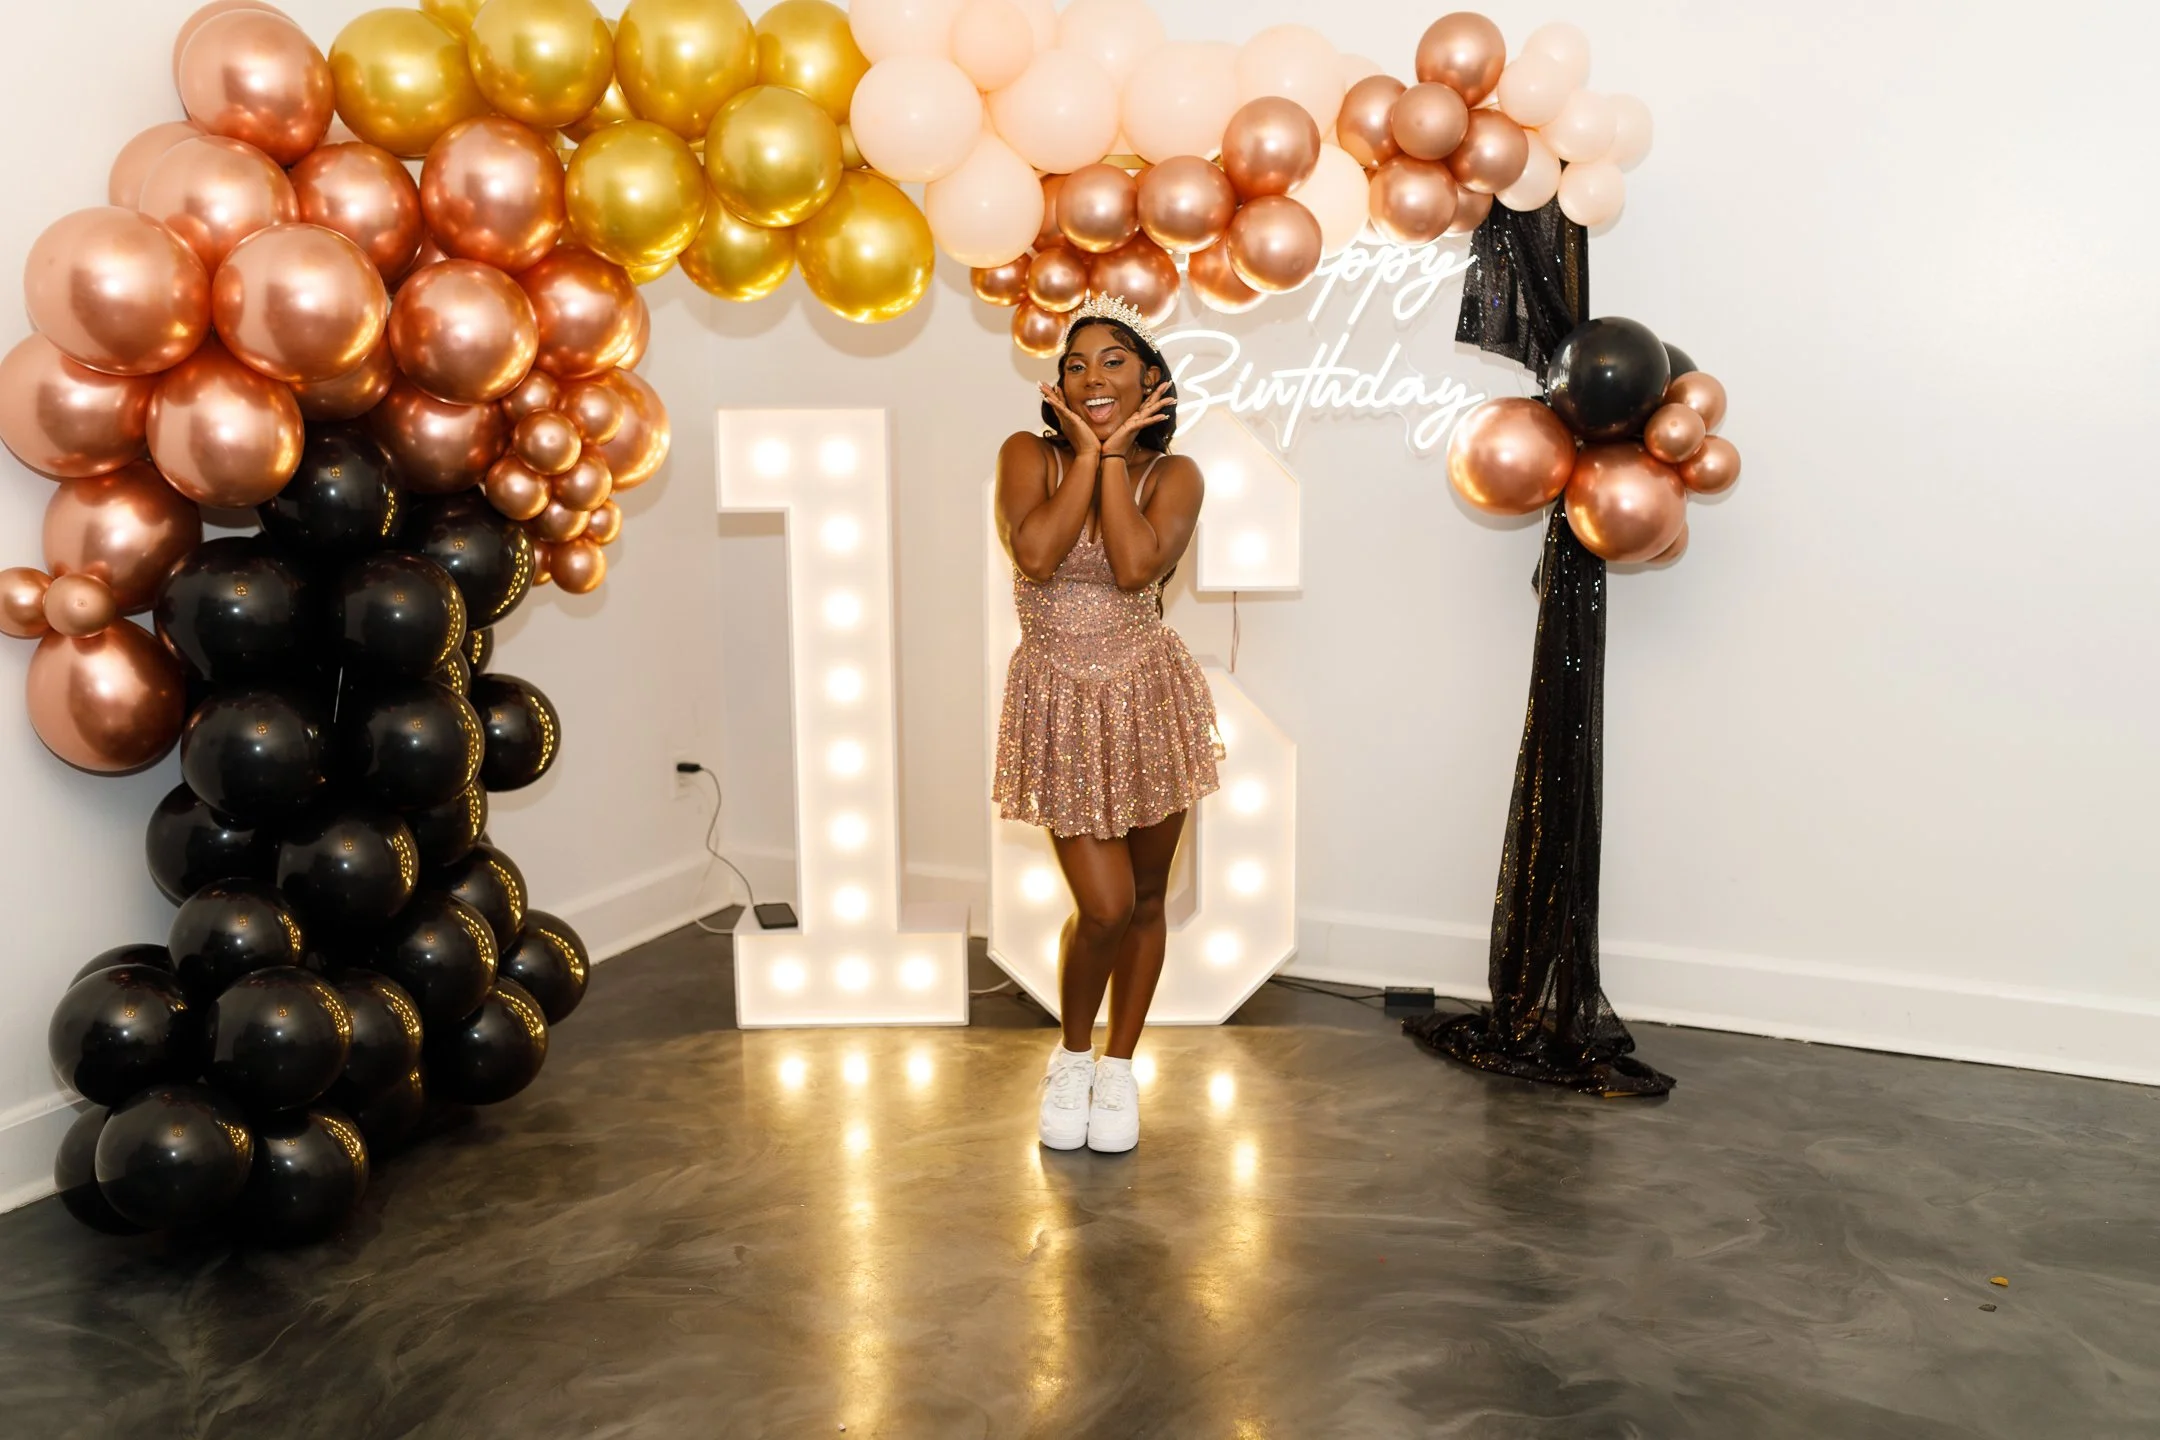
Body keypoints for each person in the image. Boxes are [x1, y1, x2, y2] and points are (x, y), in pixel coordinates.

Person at [993, 293, 1221, 1154]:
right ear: (1056, 388)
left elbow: (1133, 568)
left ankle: (1120, 1069)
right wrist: (1087, 455)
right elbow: (1040, 554)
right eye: (1077, 364)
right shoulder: (1027, 456)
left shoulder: (1177, 476)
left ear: (1152, 382)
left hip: (1148, 698)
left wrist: (1118, 457)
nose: (1092, 376)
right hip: (1058, 701)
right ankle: (1072, 1056)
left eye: (1114, 361)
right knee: (1105, 906)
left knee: (1150, 899)